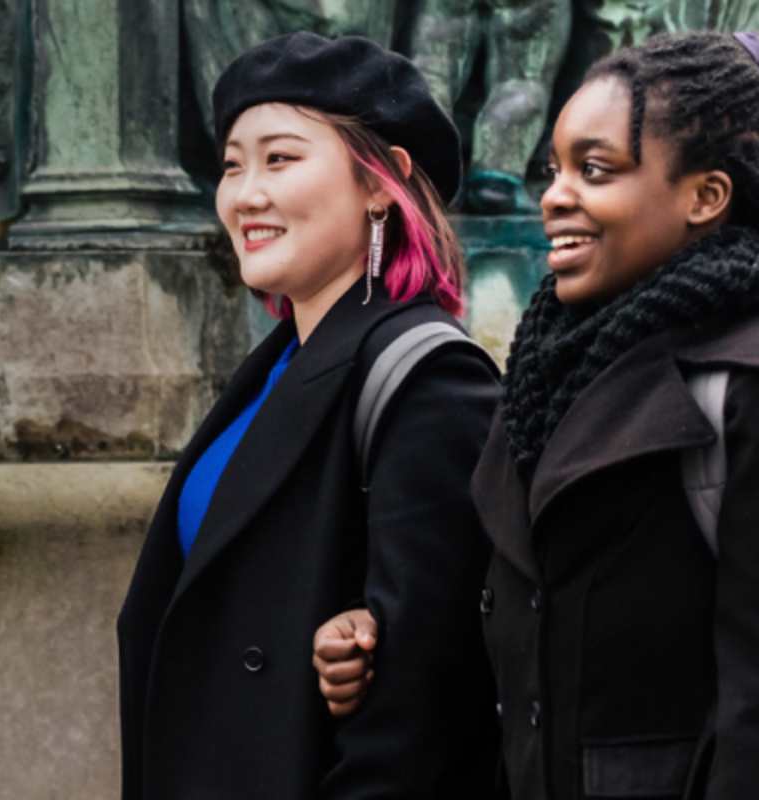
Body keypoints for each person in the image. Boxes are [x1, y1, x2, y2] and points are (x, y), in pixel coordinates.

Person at [310, 26, 759, 800]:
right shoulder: (549, 371)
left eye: (596, 170)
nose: (555, 195)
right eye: (555, 168)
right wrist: (370, 642)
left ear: (705, 196)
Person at [115, 32, 503, 800]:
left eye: (281, 158)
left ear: (382, 181)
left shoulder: (430, 377)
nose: (245, 193)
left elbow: (420, 710)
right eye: (232, 165)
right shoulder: (275, 369)